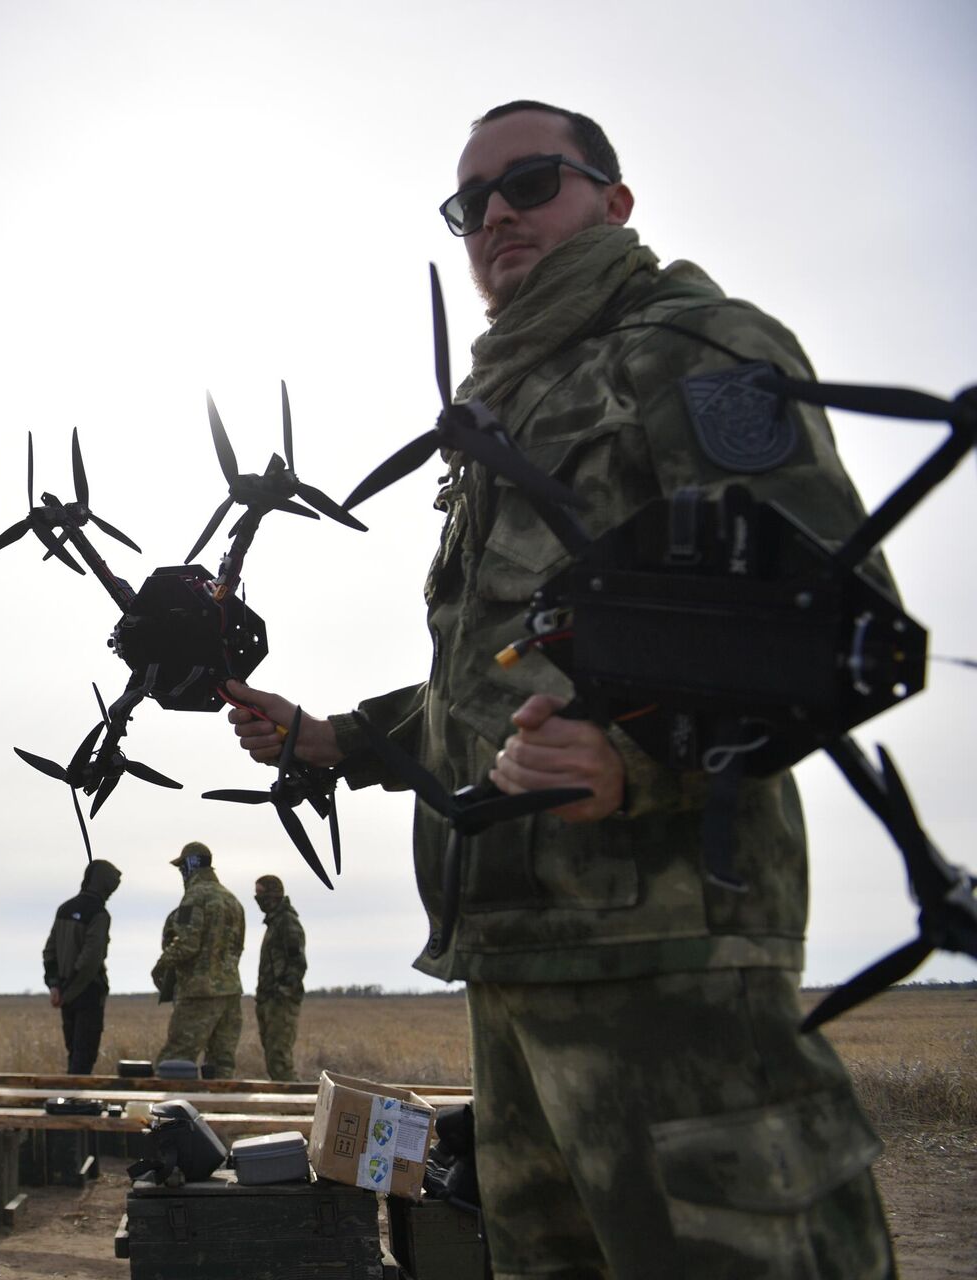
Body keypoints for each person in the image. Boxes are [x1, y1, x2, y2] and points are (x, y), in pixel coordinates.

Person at [227, 101, 893, 1278]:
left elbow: (832, 621)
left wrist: (636, 759)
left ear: (614, 202)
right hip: (515, 962)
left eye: (530, 182)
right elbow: (483, 684)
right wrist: (329, 734)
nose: (494, 215)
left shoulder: (691, 346)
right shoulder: (504, 412)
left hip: (666, 963)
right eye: (468, 202)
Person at [151, 842, 245, 1078]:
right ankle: (221, 1112)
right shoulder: (233, 900)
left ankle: (169, 1114)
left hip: (199, 993)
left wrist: (161, 965)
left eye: (182, 867)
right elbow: (238, 948)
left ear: (191, 865)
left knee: (174, 1062)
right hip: (231, 992)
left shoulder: (194, 898)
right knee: (221, 1066)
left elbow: (187, 944)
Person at [42, 858, 122, 1074]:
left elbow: (49, 952)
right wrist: (67, 989)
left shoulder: (64, 909)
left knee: (74, 1053)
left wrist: (55, 986)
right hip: (88, 993)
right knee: (84, 1057)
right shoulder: (99, 914)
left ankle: (70, 1098)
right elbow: (91, 958)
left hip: (65, 994)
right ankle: (76, 1103)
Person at [252, 874, 306, 1081]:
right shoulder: (275, 922)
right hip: (269, 1000)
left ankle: (298, 1106)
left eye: (261, 894)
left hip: (281, 1002)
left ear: (273, 895)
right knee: (273, 1058)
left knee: (280, 1060)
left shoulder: (287, 923)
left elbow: (297, 963)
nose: (257, 899)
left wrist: (282, 992)